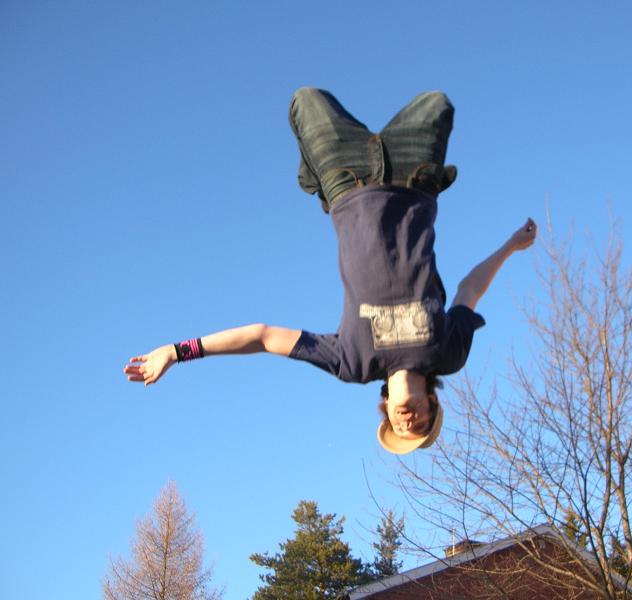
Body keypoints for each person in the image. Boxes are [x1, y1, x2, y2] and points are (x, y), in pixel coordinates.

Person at [124, 88, 537, 454]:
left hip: (346, 181)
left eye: (401, 427)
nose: (410, 424)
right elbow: (469, 290)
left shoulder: (352, 363)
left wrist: (177, 352)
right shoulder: (448, 354)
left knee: (304, 99)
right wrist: (511, 247)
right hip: (416, 183)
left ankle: (317, 180)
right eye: (422, 425)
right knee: (439, 102)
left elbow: (264, 337)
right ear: (432, 404)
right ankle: (315, 177)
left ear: (388, 414)